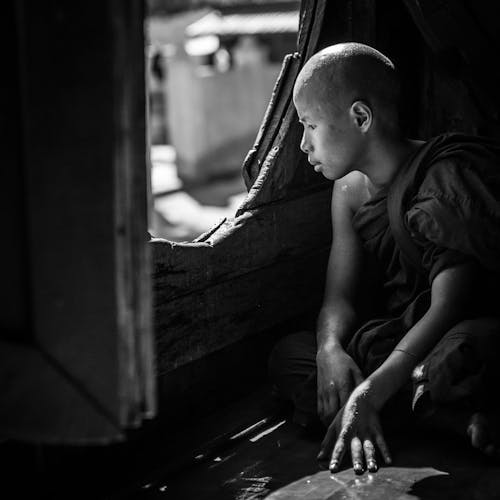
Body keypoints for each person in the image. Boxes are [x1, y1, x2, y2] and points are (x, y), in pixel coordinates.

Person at [269, 42, 500, 475]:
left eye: (310, 125)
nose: (303, 145)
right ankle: (451, 420)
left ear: (360, 118)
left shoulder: (444, 174)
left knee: (467, 352)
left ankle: (397, 410)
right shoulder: (347, 192)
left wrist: (368, 395)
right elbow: (339, 298)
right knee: (293, 356)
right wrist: (329, 350)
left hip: (449, 331)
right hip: (398, 344)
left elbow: (449, 306)